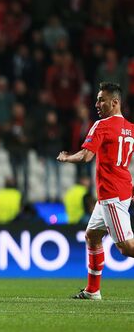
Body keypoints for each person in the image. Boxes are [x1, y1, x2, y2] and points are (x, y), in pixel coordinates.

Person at [57, 82, 134, 300]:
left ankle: (93, 290)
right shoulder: (131, 128)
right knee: (92, 236)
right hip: (117, 191)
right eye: (97, 99)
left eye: (102, 99)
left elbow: (86, 156)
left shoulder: (102, 125)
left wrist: (66, 157)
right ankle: (93, 290)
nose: (97, 104)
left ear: (115, 102)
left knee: (127, 247)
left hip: (111, 194)